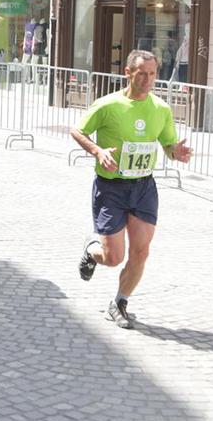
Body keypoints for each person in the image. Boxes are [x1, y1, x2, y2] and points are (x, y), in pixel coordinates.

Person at [71, 49, 193, 329]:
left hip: (143, 187)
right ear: (128, 73)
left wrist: (176, 153)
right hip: (111, 188)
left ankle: (119, 303)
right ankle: (92, 251)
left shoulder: (161, 109)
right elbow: (77, 131)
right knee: (113, 258)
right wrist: (98, 151)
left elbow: (168, 145)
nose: (148, 80)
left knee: (141, 252)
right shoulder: (108, 105)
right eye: (142, 74)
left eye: (152, 74)